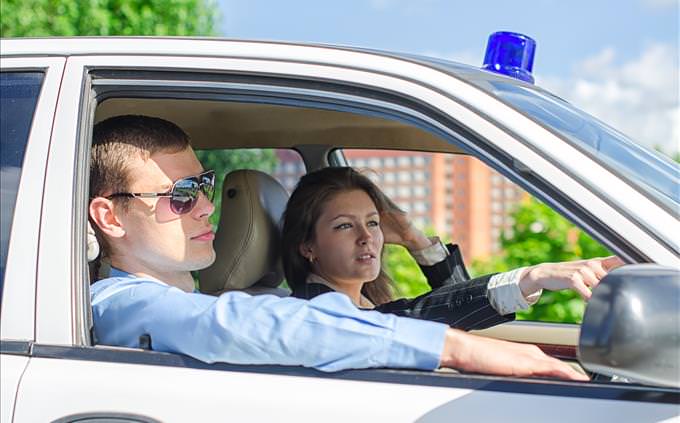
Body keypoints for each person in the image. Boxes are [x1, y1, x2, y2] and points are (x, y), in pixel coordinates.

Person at [88, 114, 587, 380]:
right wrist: (454, 348)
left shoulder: (209, 304)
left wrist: (417, 243)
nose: (204, 208)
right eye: (180, 195)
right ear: (110, 217)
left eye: (205, 185)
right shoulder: (118, 304)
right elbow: (232, 325)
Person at [282, 166, 622, 329]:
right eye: (344, 225)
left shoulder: (363, 299)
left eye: (372, 223)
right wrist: (529, 278)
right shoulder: (317, 311)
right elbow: (409, 318)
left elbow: (458, 314)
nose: (366, 236)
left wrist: (415, 240)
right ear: (307, 246)